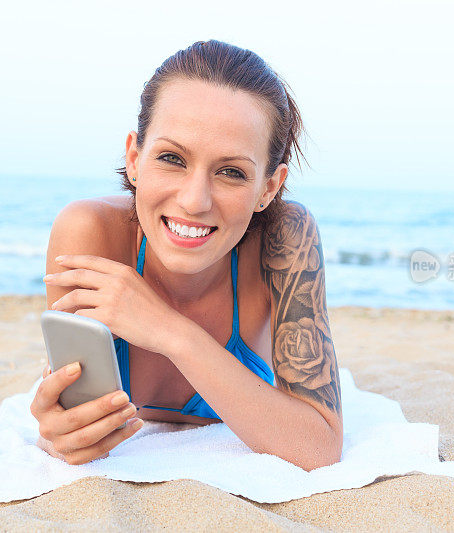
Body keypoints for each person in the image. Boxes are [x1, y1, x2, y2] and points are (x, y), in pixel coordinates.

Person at [30, 40, 343, 472]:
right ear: (135, 159)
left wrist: (168, 330)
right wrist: (59, 436)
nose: (195, 201)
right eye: (172, 158)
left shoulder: (285, 238)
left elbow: (319, 447)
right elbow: (69, 422)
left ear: (268, 188)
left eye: (231, 172)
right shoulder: (90, 232)